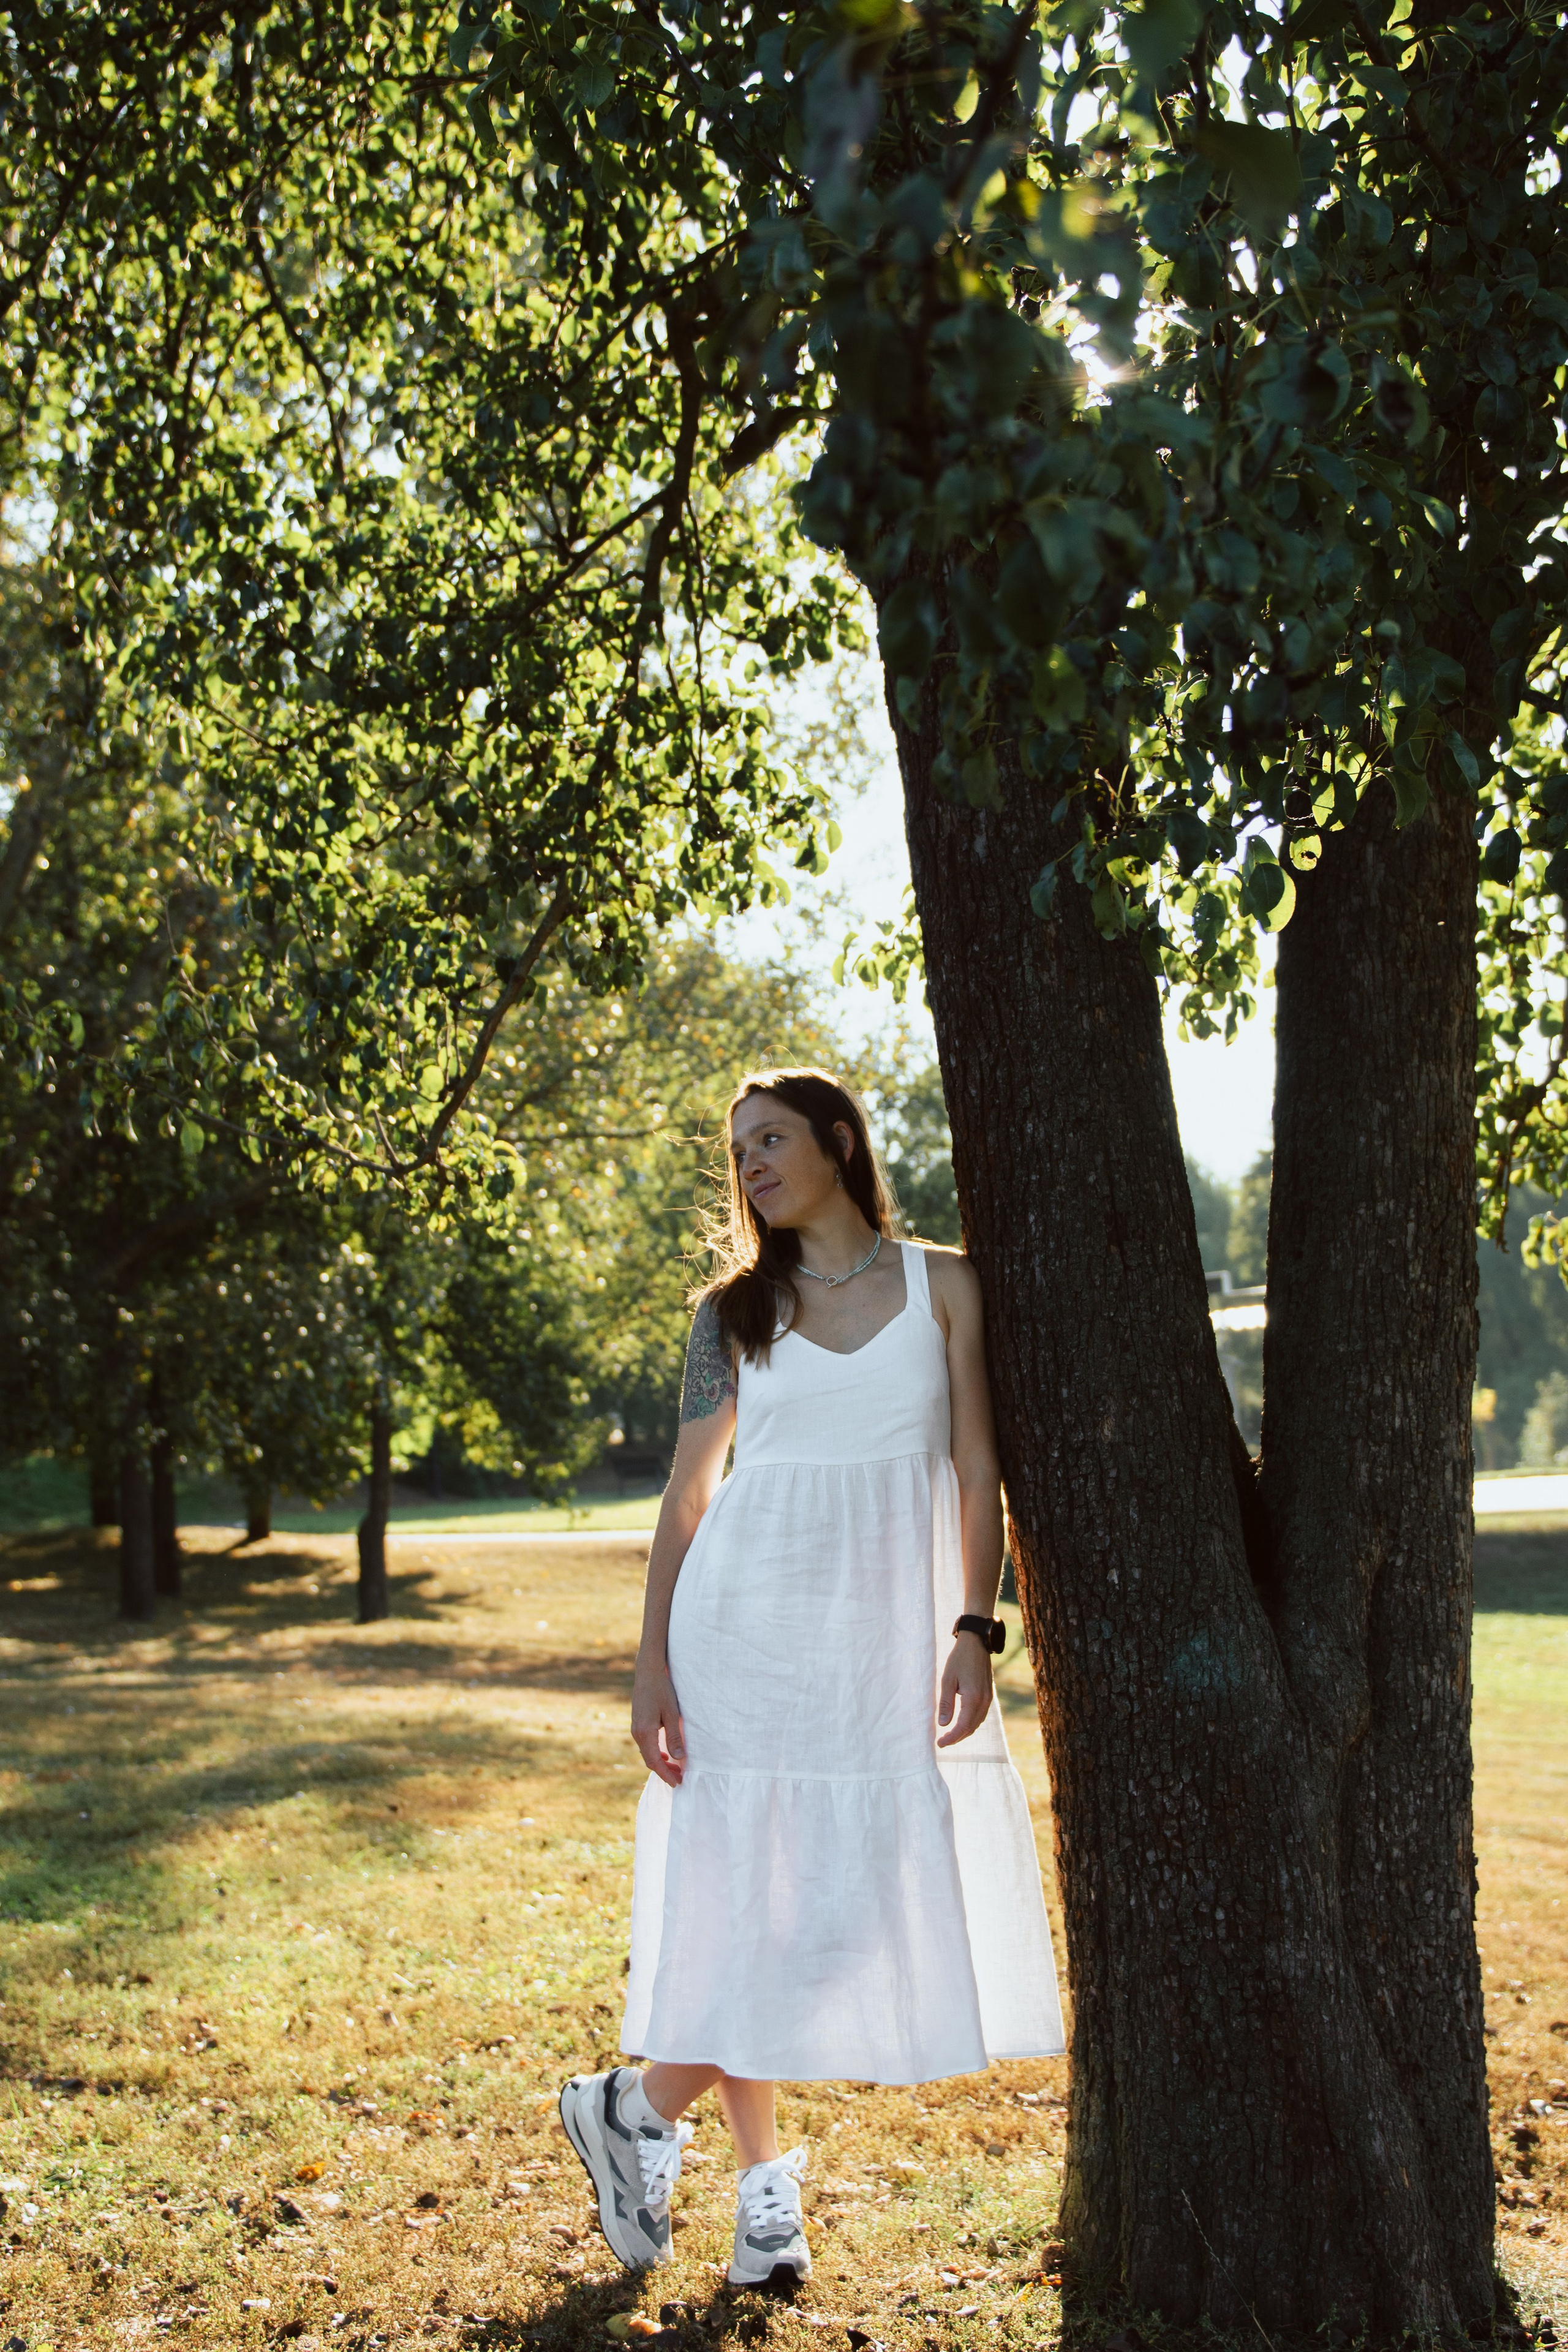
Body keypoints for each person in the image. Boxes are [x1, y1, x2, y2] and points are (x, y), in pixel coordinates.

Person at [559, 1068, 1062, 2288]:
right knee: (752, 1900)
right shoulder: (731, 1313)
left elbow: (974, 1464)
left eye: (771, 1139)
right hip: (745, 1625)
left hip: (881, 1641)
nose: (753, 1168)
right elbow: (685, 1499)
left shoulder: (944, 1286)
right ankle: (753, 2191)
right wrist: (650, 1666)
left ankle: (635, 2106)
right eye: (739, 1153)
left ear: (839, 1139)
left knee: (837, 1903)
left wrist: (970, 1627)